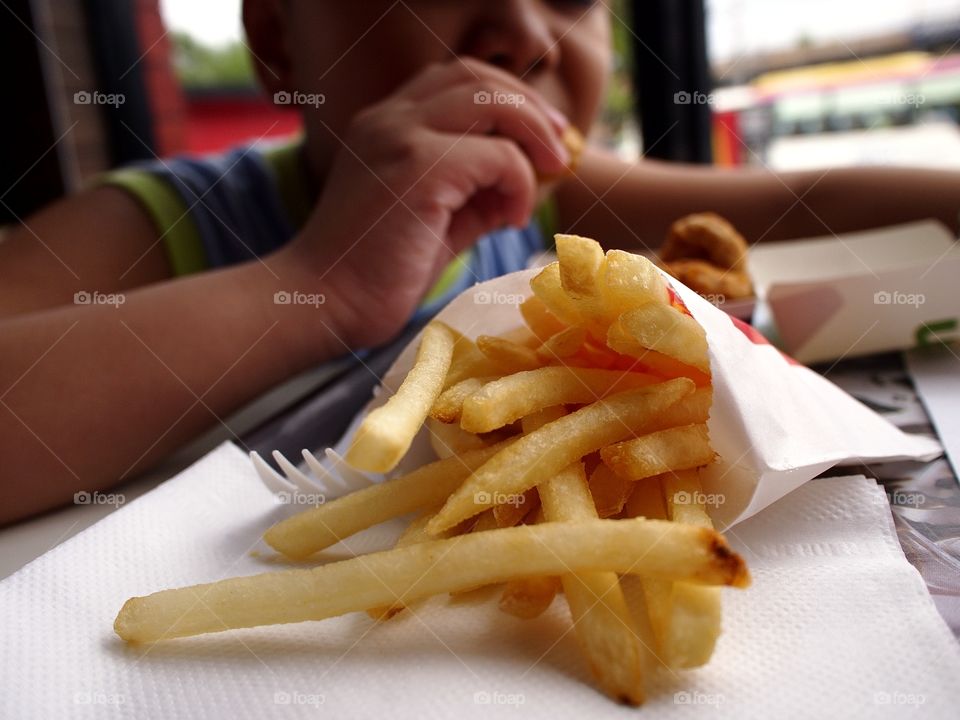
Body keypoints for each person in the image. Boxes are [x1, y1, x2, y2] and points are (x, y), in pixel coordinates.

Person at [0, 0, 957, 524]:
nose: (530, 32)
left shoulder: (554, 196)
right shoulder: (156, 221)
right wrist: (322, 285)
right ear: (280, 37)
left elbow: (813, 206)